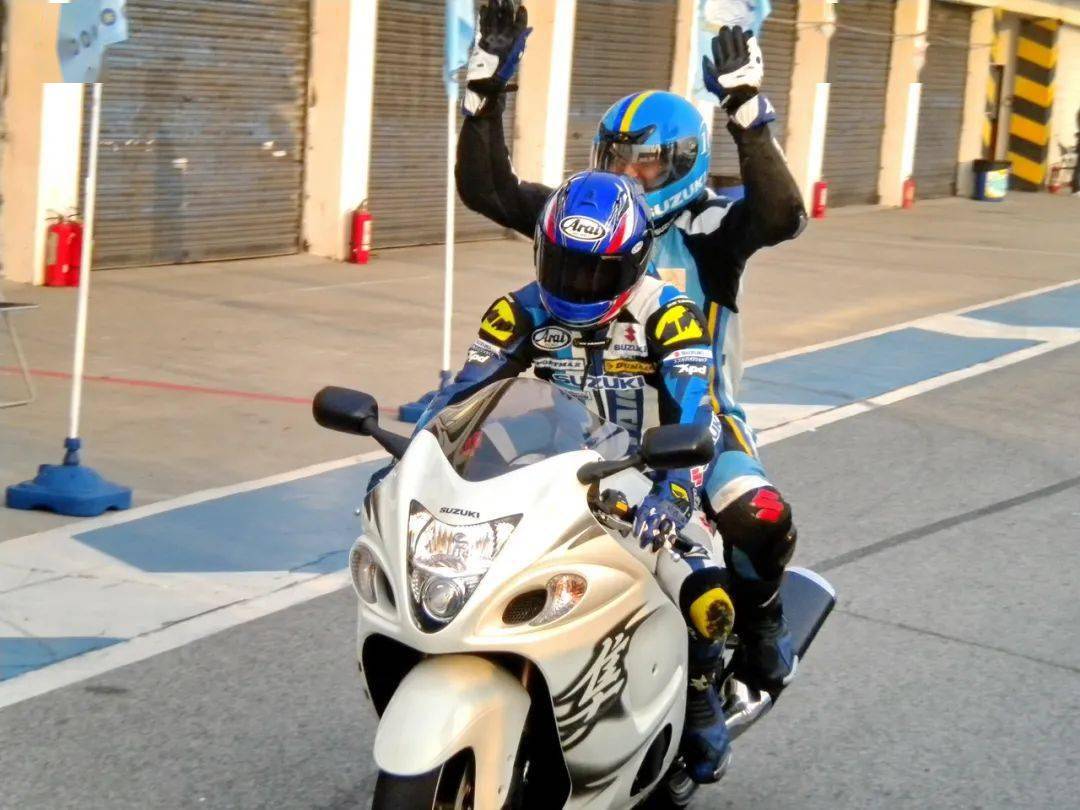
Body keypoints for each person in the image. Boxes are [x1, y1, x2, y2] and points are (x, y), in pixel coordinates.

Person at [458, 1, 801, 708]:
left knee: (759, 516)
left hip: (694, 424)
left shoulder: (711, 227)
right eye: (616, 158)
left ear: (683, 163)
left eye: (645, 162)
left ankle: (763, 622)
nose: (628, 174)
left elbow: (782, 214)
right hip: (572, 419)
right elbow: (487, 189)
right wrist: (486, 90)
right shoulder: (584, 214)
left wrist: (746, 110)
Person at [419, 170, 769, 783]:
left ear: (635, 262)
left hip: (650, 467)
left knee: (705, 588)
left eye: (596, 272)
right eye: (563, 266)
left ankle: (701, 693)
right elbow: (463, 398)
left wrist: (674, 491)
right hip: (555, 462)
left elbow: (696, 411)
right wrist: (416, 461)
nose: (576, 285)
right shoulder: (515, 311)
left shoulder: (671, 315)